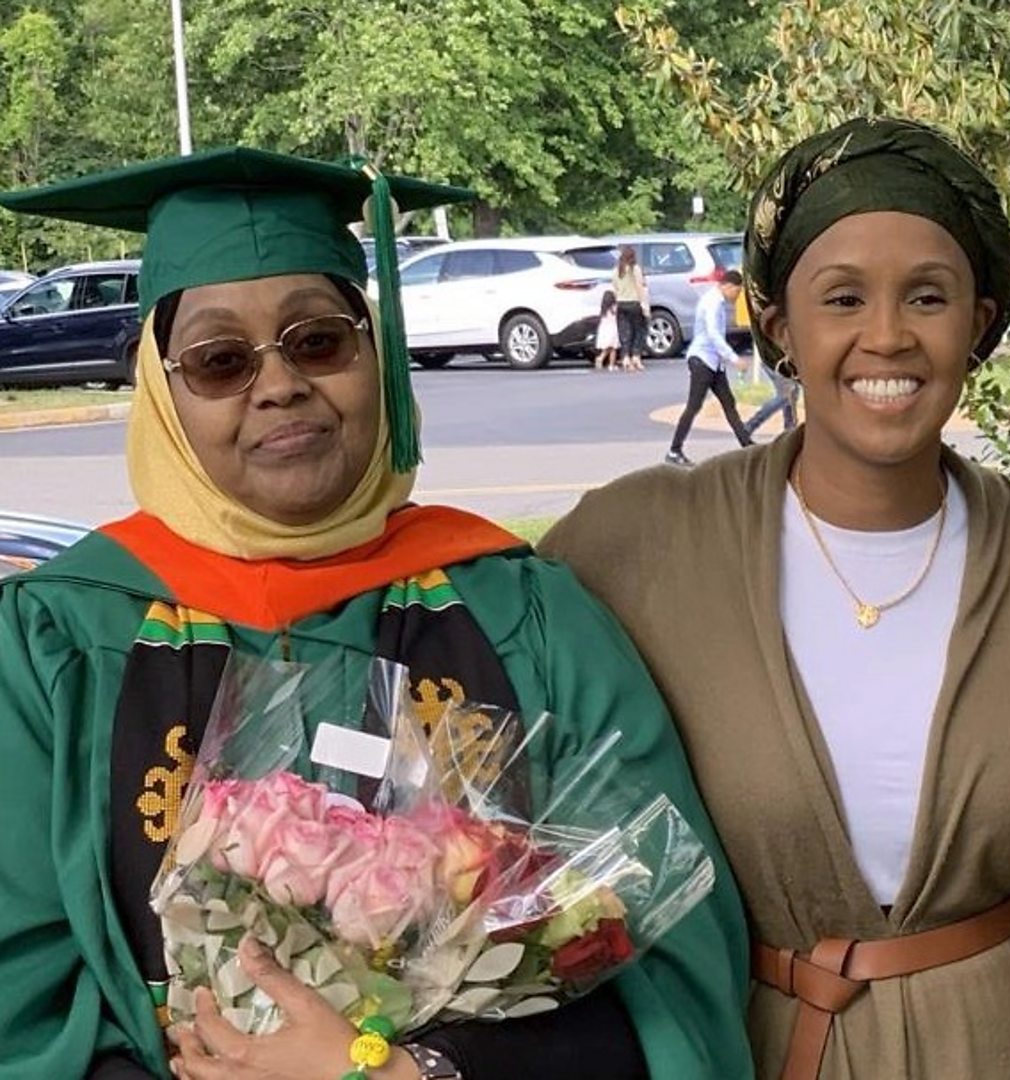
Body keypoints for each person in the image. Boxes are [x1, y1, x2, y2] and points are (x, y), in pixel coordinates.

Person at [0, 147, 752, 1080]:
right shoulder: (54, 641)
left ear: (374, 351)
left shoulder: (526, 611)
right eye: (220, 360)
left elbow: (673, 964)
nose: (278, 385)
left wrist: (406, 1073)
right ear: (161, 392)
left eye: (317, 340)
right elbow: (18, 1000)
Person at [542, 116, 1010, 1079]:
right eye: (844, 297)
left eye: (929, 297)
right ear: (779, 324)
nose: (888, 335)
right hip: (763, 1049)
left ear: (979, 324)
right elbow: (496, 750)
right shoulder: (642, 544)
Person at [663, 271, 753, 466]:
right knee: (694, 406)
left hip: (714, 362)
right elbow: (713, 334)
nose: (737, 297)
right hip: (702, 360)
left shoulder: (718, 301)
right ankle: (674, 450)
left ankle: (748, 446)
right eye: (737, 292)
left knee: (729, 404)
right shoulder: (712, 303)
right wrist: (733, 358)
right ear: (727, 286)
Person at [612, 244, 649, 372]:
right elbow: (640, 287)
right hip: (634, 303)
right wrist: (644, 305)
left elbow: (615, 288)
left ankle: (625, 357)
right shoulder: (635, 269)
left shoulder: (617, 270)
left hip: (621, 303)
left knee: (624, 332)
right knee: (639, 331)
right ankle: (636, 357)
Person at [594, 287, 619, 371]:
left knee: (608, 347)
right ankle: (610, 364)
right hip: (613, 329)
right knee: (613, 348)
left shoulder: (603, 309)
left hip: (604, 329)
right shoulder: (614, 308)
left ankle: (601, 358)